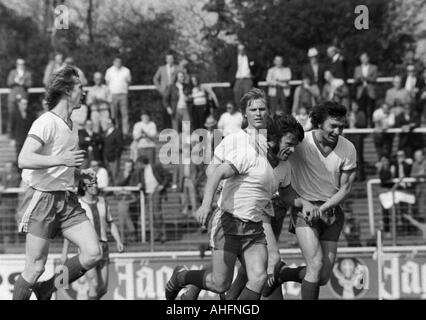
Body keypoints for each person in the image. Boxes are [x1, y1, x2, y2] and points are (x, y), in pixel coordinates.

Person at [165, 89, 274, 300]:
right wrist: (210, 199)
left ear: (268, 110)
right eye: (253, 109)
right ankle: (183, 277)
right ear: (245, 114)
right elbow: (211, 170)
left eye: (262, 108)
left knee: (258, 274)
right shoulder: (234, 140)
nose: (258, 113)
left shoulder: (272, 140)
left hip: (258, 214)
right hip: (231, 214)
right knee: (220, 282)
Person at [12, 65, 101, 300]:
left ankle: (46, 288)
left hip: (67, 199)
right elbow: (23, 159)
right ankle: (36, 286)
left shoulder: (73, 126)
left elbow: (63, 165)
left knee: (93, 252)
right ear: (67, 90)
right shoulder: (46, 122)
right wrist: (61, 159)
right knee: (35, 267)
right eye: (81, 87)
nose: (84, 91)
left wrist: (79, 175)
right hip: (42, 199)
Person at [263, 101, 357, 300]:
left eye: (341, 126)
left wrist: (323, 208)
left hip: (331, 212)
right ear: (319, 123)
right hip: (304, 211)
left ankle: (282, 273)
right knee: (314, 265)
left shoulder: (348, 149)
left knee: (322, 276)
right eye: (333, 125)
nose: (338, 131)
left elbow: (345, 188)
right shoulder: (301, 143)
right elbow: (277, 146)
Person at [61, 179, 124, 299]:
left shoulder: (103, 202)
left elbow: (110, 222)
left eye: (96, 184)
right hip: (87, 248)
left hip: (104, 247)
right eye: (91, 185)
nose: (94, 186)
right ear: (84, 187)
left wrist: (118, 241)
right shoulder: (78, 204)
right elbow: (70, 228)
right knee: (94, 285)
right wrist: (65, 251)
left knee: (103, 288)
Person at [135, 156, 171, 243]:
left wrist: (163, 185)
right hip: (146, 194)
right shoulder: (140, 172)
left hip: (156, 192)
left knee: (157, 214)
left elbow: (167, 175)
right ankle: (155, 235)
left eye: (138, 164)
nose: (137, 166)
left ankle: (162, 235)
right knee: (150, 216)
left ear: (141, 163)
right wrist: (139, 184)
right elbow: (138, 181)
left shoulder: (155, 167)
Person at [105, 57, 132, 136]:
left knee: (125, 115)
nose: (118, 63)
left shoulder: (126, 70)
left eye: (120, 61)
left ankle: (125, 133)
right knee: (114, 115)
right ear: (113, 62)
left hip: (123, 94)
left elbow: (129, 82)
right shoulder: (109, 71)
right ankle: (115, 132)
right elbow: (107, 83)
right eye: (116, 61)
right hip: (113, 95)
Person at [153, 52, 179, 128]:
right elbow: (155, 79)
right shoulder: (161, 68)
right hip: (165, 92)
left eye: (171, 58)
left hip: (174, 93)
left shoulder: (177, 68)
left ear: (173, 59)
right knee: (165, 112)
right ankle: (166, 130)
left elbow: (184, 76)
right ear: (166, 60)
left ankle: (175, 130)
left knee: (175, 112)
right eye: (168, 59)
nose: (170, 60)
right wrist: (160, 89)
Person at [7, 59, 33, 134]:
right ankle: (10, 133)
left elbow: (30, 84)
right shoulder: (12, 72)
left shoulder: (28, 73)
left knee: (23, 115)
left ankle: (24, 133)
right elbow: (9, 83)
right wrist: (16, 81)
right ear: (17, 64)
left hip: (23, 97)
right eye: (19, 64)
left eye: (22, 64)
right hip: (13, 97)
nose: (21, 65)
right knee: (11, 114)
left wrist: (23, 83)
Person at [353, 53, 378, 127]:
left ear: (368, 58)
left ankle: (372, 125)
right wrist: (358, 79)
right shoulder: (357, 68)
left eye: (364, 58)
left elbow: (374, 79)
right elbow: (355, 80)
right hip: (361, 91)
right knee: (361, 110)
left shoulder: (374, 67)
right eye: (362, 59)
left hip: (370, 91)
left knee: (371, 109)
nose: (363, 60)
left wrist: (364, 78)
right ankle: (363, 126)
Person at [346, 101, 367, 181]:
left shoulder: (361, 113)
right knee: (351, 157)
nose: (354, 107)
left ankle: (361, 175)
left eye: (355, 105)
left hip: (358, 136)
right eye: (353, 105)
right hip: (349, 136)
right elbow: (345, 124)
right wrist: (347, 120)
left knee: (359, 156)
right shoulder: (348, 114)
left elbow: (363, 124)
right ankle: (352, 176)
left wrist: (356, 122)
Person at [103, 118, 123, 185]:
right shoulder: (105, 132)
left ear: (112, 124)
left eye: (109, 123)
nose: (108, 124)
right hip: (106, 156)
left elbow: (120, 145)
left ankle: (116, 189)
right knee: (108, 174)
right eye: (107, 123)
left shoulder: (117, 132)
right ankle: (109, 188)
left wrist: (116, 154)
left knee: (115, 173)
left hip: (114, 157)